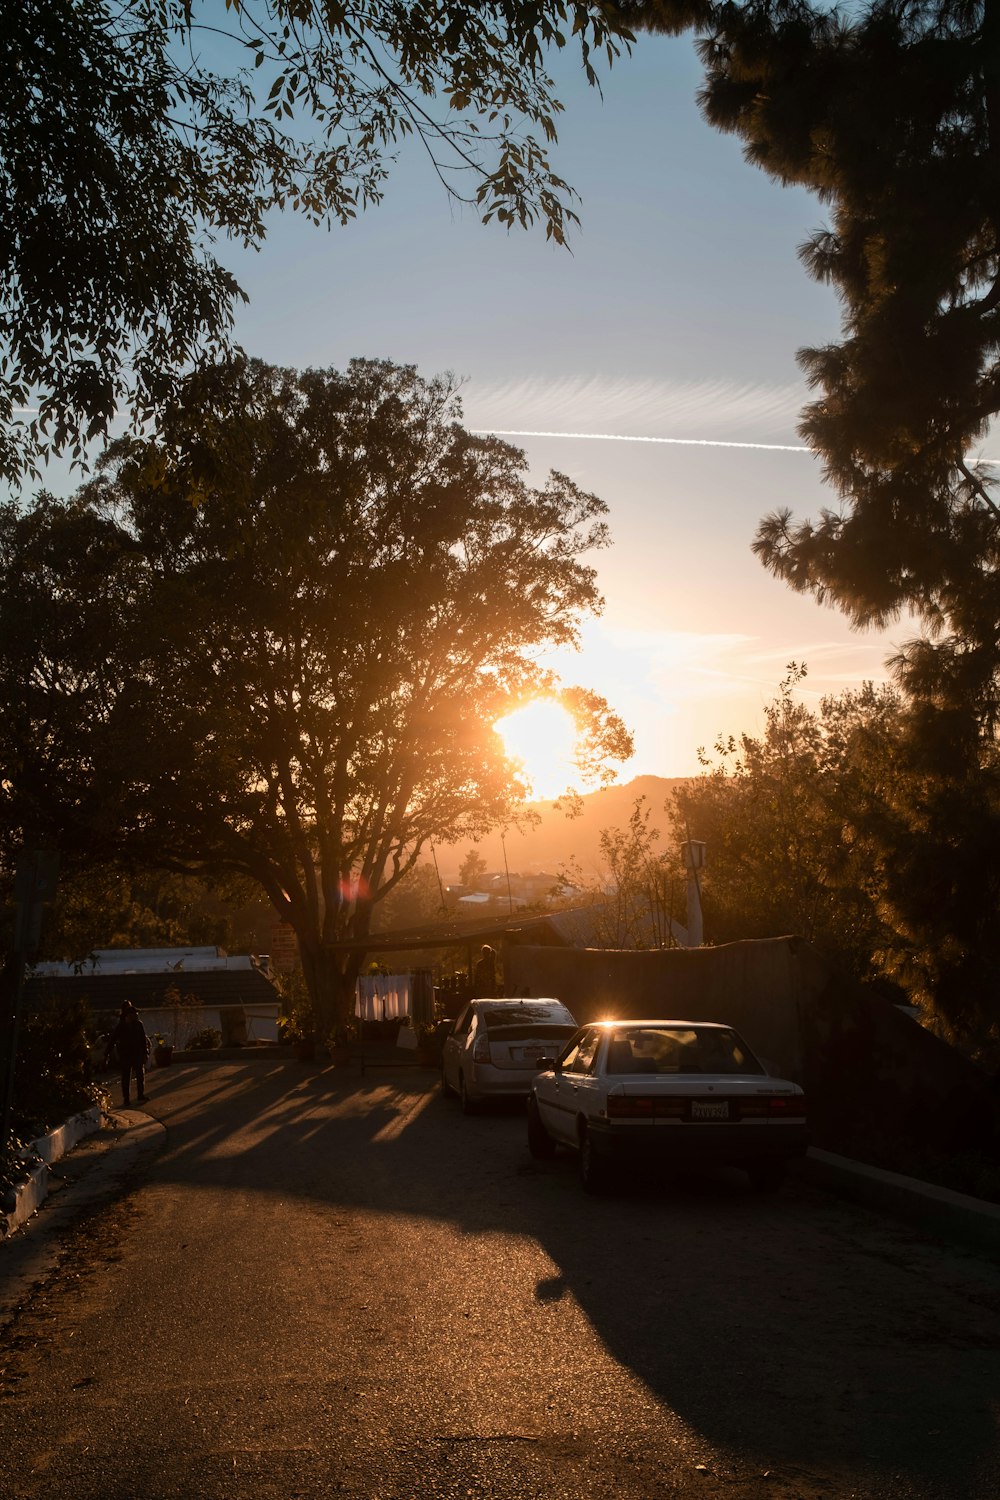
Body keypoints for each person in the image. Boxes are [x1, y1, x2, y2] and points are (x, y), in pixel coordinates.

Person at [104, 1000, 150, 1107]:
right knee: (126, 1077)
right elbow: (112, 1040)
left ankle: (140, 1095)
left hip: (138, 1054)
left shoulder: (139, 1025)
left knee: (140, 1075)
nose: (137, 1015)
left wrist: (145, 1053)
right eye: (135, 1014)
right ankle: (126, 1099)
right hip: (126, 1055)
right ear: (129, 1015)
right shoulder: (121, 1026)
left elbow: (143, 1040)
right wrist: (106, 1054)